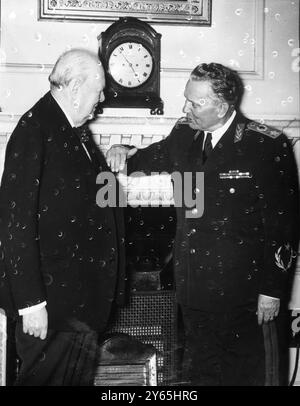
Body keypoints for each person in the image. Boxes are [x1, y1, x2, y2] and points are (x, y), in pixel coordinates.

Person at [106, 63, 299, 386]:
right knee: (203, 376)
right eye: (187, 100)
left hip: (247, 295)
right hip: (195, 289)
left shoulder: (265, 146)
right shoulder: (185, 134)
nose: (185, 108)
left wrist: (272, 289)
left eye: (195, 103)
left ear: (222, 107)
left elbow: (284, 224)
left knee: (253, 375)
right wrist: (121, 151)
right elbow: (149, 157)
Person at [0, 48, 126, 385]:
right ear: (73, 89)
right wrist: (30, 303)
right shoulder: (34, 130)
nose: (102, 98)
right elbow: (15, 224)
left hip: (79, 306)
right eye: (98, 90)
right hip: (52, 309)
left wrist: (123, 158)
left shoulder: (74, 130)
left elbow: (99, 200)